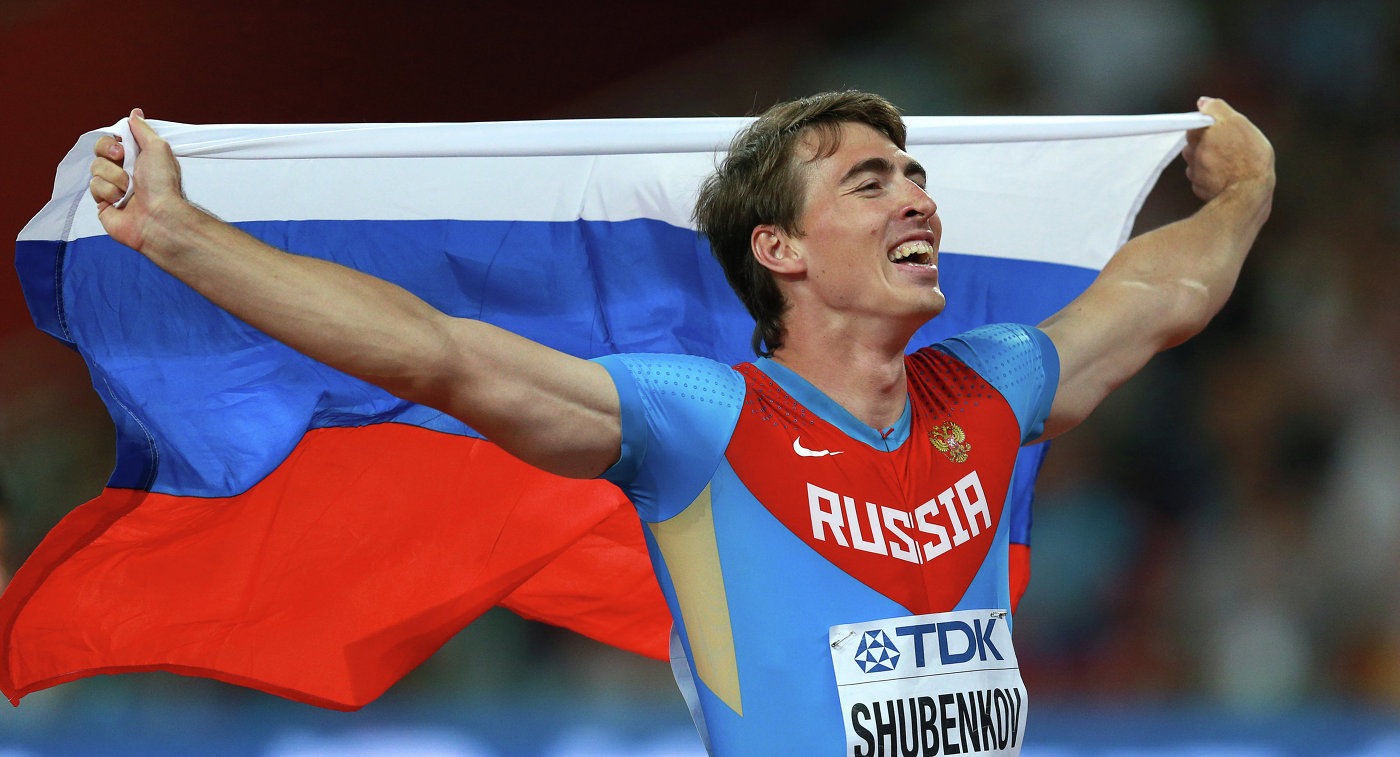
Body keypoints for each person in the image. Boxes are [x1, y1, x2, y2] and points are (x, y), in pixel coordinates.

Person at [87, 91, 1273, 755]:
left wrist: (1246, 189)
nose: (915, 196)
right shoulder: (698, 416)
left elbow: (1162, 293)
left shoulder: (990, 386)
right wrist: (182, 238)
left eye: (913, 174)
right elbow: (436, 352)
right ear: (780, 248)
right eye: (868, 182)